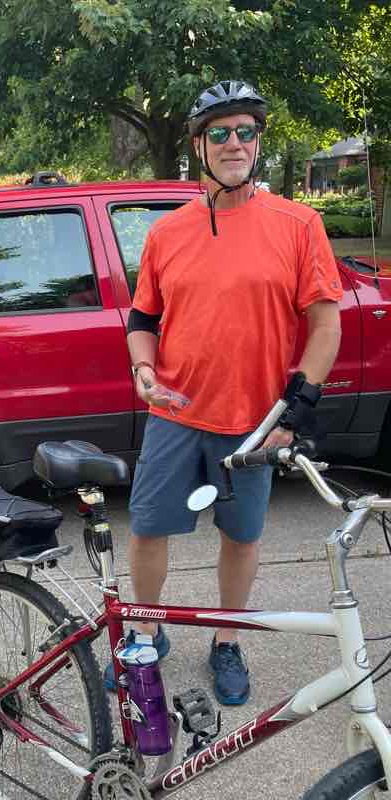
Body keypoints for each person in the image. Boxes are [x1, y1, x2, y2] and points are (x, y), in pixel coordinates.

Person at [106, 80, 343, 705]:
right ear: (198, 146)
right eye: (220, 133)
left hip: (255, 422)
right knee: (148, 531)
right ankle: (145, 633)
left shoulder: (298, 224)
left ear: (258, 143)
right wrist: (143, 372)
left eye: (245, 132)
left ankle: (226, 640)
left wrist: (299, 406)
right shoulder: (167, 233)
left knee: (241, 537)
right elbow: (143, 321)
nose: (235, 143)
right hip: (177, 413)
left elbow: (326, 325)